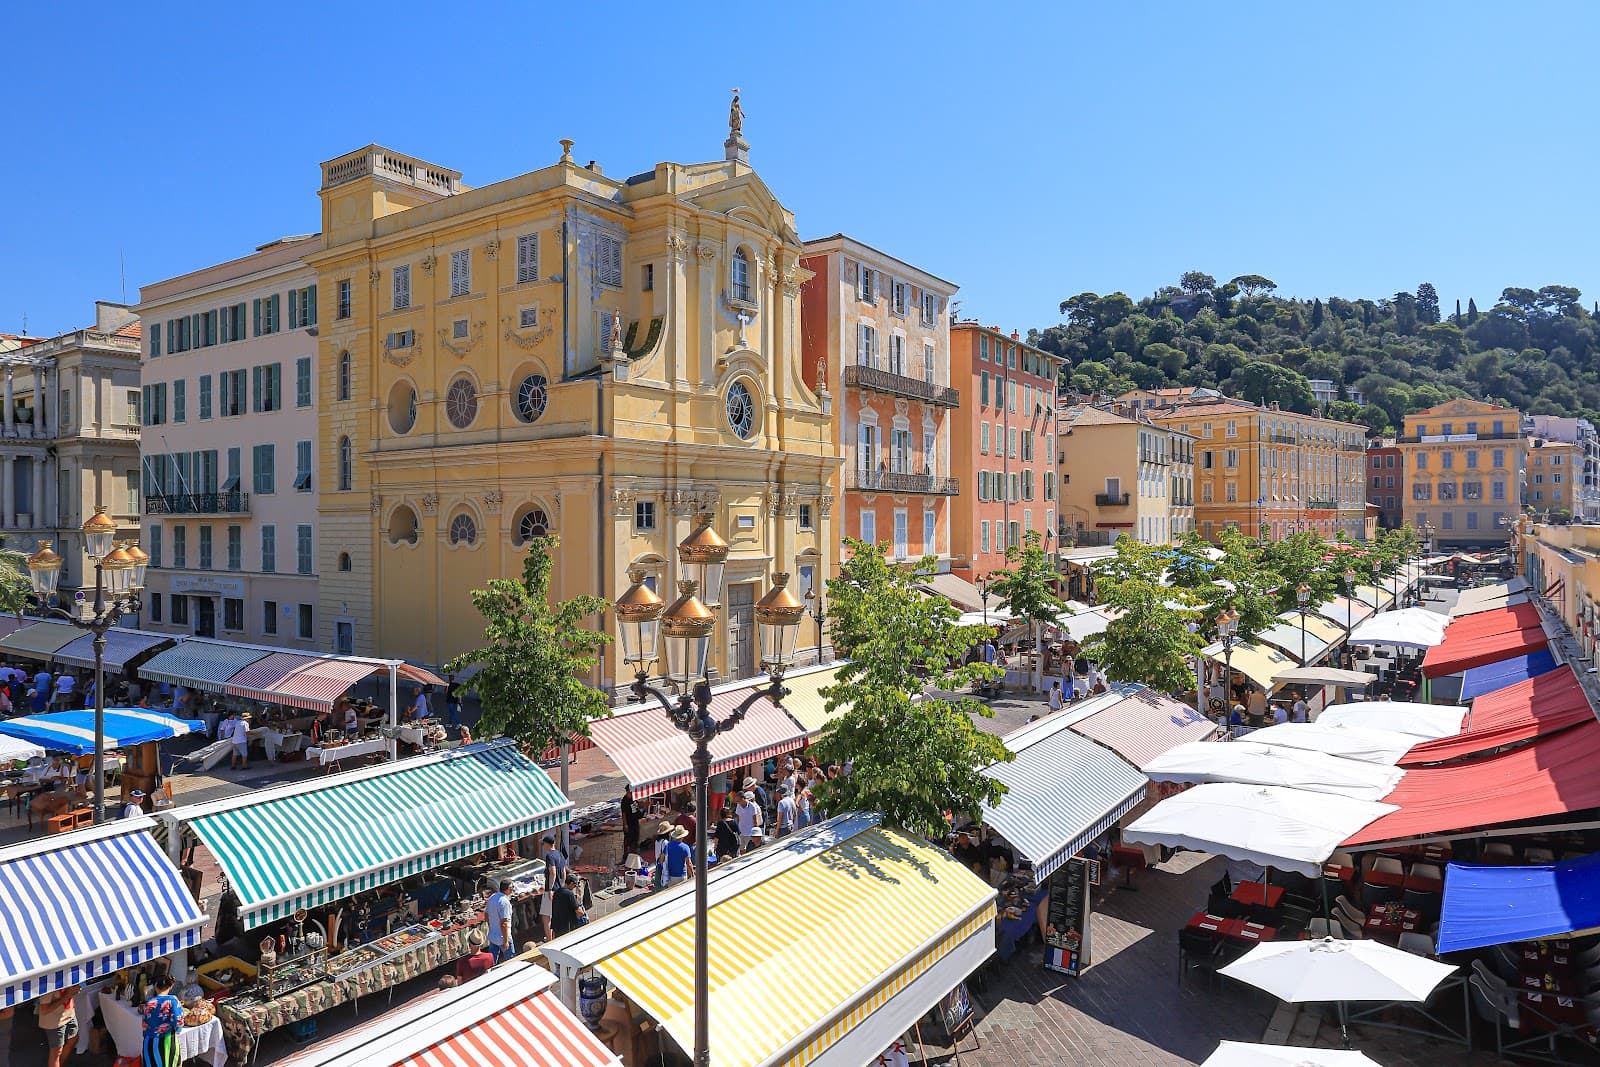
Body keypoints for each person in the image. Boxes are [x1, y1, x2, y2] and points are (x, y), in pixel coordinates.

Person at [139, 971, 183, 1067]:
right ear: (170, 987)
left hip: (149, 1043)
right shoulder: (173, 1000)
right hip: (167, 1041)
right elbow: (178, 1022)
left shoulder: (149, 1002)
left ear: (155, 987)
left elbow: (145, 1025)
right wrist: (177, 1031)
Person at [37, 983, 78, 1067]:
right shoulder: (48, 984)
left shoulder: (69, 978)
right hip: (54, 1022)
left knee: (73, 1039)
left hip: (69, 1014)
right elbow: (44, 1010)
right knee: (56, 1051)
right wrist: (67, 995)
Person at [485, 876, 513, 963]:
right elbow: (504, 923)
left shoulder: (492, 897)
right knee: (512, 960)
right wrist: (506, 941)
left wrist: (492, 927)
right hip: (503, 937)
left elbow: (486, 914)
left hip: (493, 936)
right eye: (512, 887)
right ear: (508, 889)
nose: (513, 890)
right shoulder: (504, 902)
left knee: (492, 962)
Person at [551, 871, 587, 936]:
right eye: (574, 885)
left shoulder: (557, 892)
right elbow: (579, 912)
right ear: (571, 883)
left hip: (557, 926)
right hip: (568, 928)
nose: (574, 887)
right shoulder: (569, 894)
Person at [621, 786, 641, 855]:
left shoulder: (633, 798)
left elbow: (638, 805)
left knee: (635, 837)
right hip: (629, 822)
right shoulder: (624, 801)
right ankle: (626, 853)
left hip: (635, 821)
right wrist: (625, 825)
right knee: (628, 838)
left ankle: (633, 850)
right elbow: (623, 814)